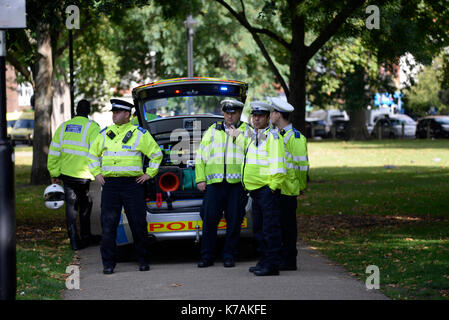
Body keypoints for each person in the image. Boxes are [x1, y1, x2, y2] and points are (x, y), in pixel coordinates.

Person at [88, 99, 163, 274]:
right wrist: (97, 174)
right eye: (113, 112)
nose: (114, 115)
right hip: (111, 185)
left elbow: (156, 154)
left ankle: (143, 260)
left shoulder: (139, 133)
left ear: (127, 114)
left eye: (117, 112)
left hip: (132, 185)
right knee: (108, 225)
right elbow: (91, 154)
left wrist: (148, 174)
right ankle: (108, 264)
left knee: (138, 224)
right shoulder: (105, 133)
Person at [195, 99, 250, 268]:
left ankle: (229, 255)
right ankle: (207, 256)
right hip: (215, 183)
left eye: (233, 113)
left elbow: (254, 151)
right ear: (223, 113)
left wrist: (238, 137)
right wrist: (200, 178)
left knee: (234, 222)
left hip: (237, 185)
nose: (230, 116)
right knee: (210, 220)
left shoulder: (247, 131)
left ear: (239, 113)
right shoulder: (213, 129)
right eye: (227, 113)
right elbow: (201, 156)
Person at [47, 99, 101, 250]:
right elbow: (97, 152)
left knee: (71, 206)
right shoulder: (93, 127)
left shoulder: (63, 127)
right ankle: (86, 236)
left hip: (66, 174)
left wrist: (54, 173)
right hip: (84, 175)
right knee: (85, 204)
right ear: (88, 111)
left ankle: (74, 241)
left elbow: (54, 152)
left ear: (76, 111)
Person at [242, 101, 286, 276]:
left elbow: (278, 165)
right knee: (259, 229)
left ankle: (272, 265)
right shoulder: (253, 136)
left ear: (268, 118)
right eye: (254, 115)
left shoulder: (273, 137)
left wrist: (272, 187)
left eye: (260, 116)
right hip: (256, 191)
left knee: (270, 229)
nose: (256, 119)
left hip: (268, 190)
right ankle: (263, 261)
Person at [269, 97, 309, 271]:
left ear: (278, 114)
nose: (270, 115)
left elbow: (302, 166)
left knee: (288, 227)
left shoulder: (296, 137)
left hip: (289, 190)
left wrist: (300, 187)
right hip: (277, 188)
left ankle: (290, 260)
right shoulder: (274, 135)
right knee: (278, 226)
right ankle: (280, 258)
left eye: (272, 112)